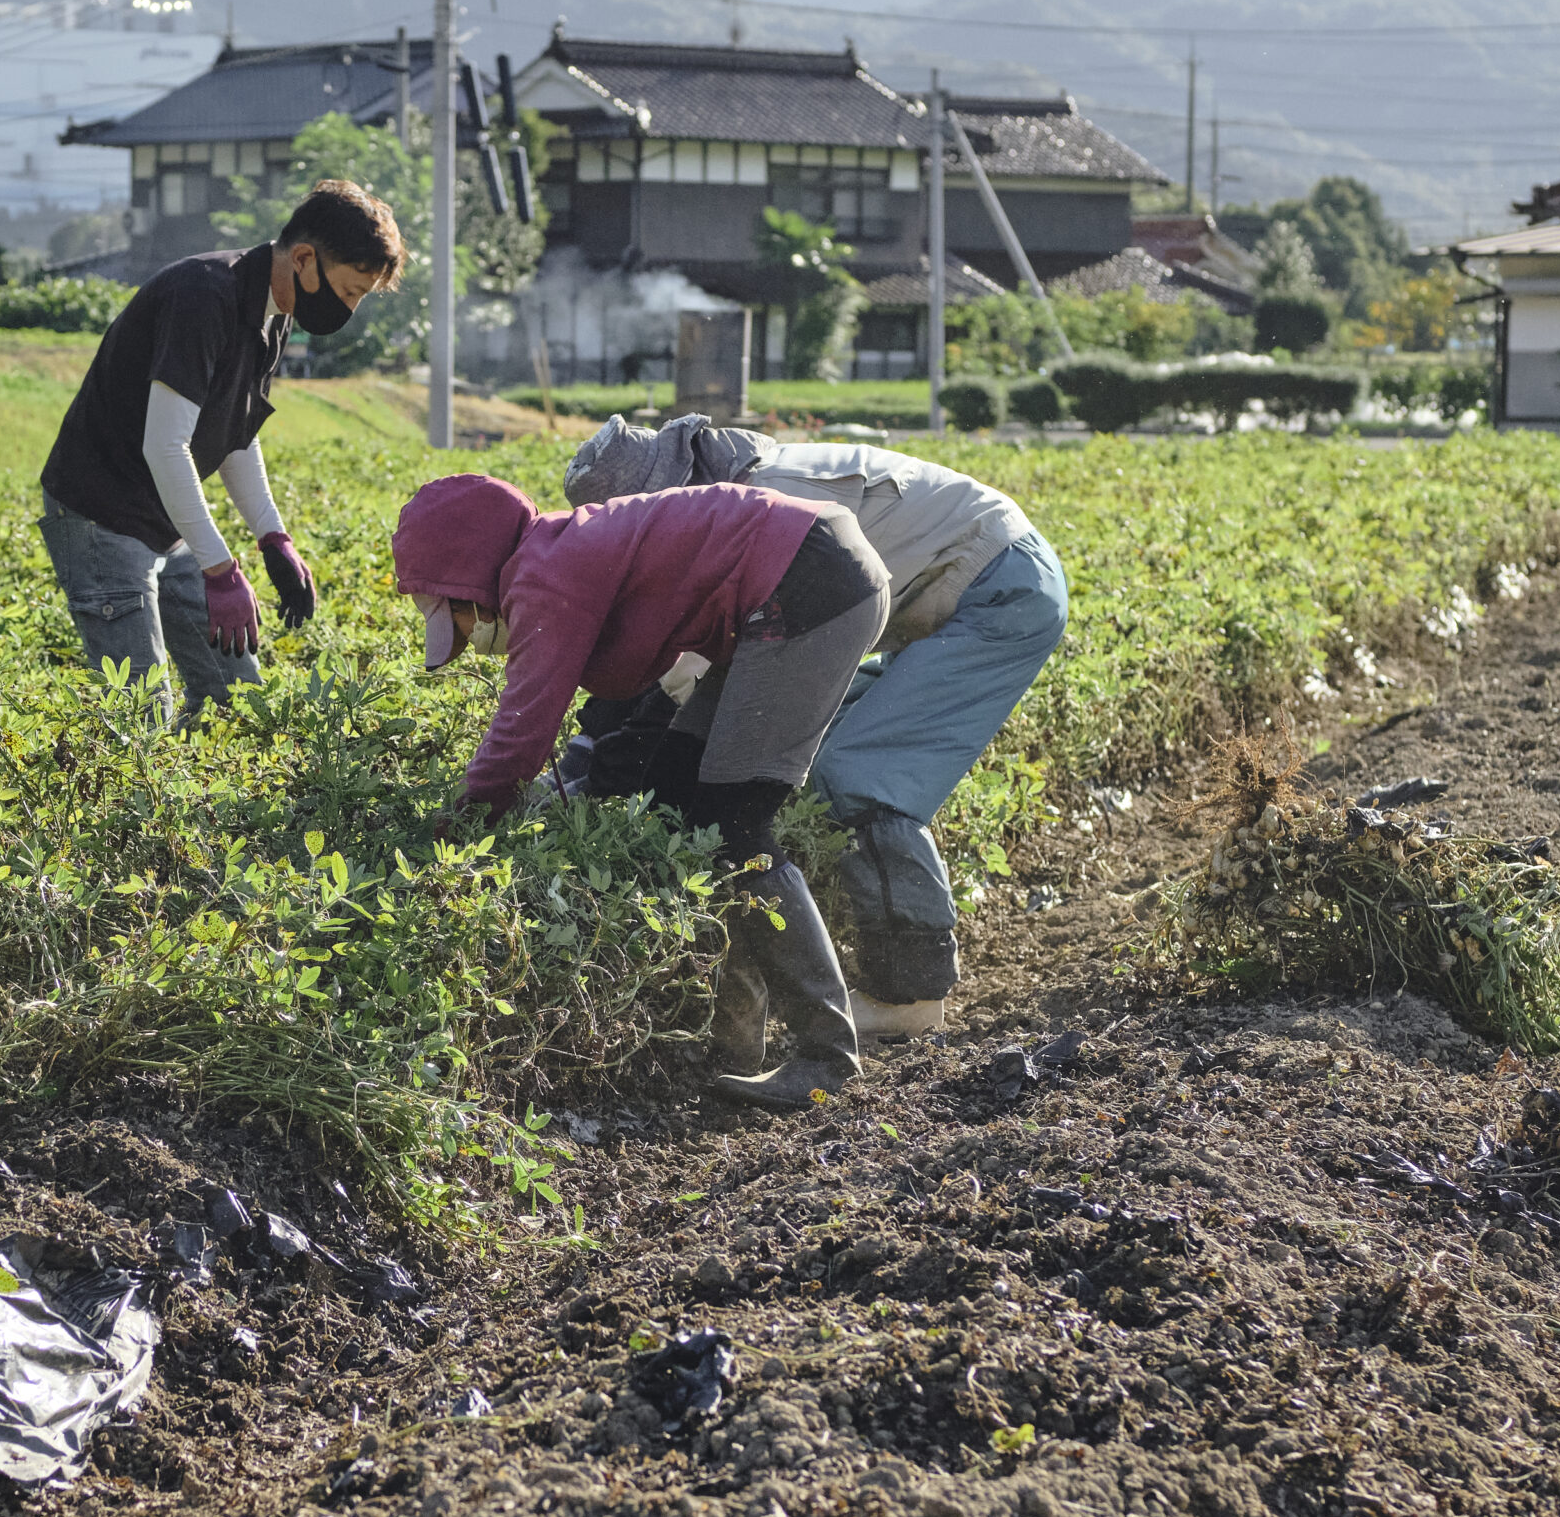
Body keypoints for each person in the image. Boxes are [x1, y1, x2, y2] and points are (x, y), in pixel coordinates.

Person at [391, 473, 891, 1112]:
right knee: (677, 799)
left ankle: (826, 1058)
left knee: (734, 824)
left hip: (805, 581)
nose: (466, 637)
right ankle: (738, 1047)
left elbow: (522, 734)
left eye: (455, 615)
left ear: (467, 578)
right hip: (807, 567)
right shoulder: (556, 552)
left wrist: (457, 825)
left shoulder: (543, 574)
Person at [562, 417, 1069, 1039]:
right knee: (798, 758)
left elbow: (690, 664)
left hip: (1000, 586)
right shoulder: (728, 501)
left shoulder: (768, 495)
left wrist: (606, 756)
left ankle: (909, 997)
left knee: (856, 774)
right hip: (947, 590)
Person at [37, 179, 406, 715]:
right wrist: (219, 569)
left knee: (236, 698)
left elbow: (236, 435)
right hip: (102, 516)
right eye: (349, 291)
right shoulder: (204, 296)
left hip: (162, 520)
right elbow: (164, 446)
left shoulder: (274, 312)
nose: (348, 309)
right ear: (304, 259)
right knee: (142, 714)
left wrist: (273, 537)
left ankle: (196, 798)